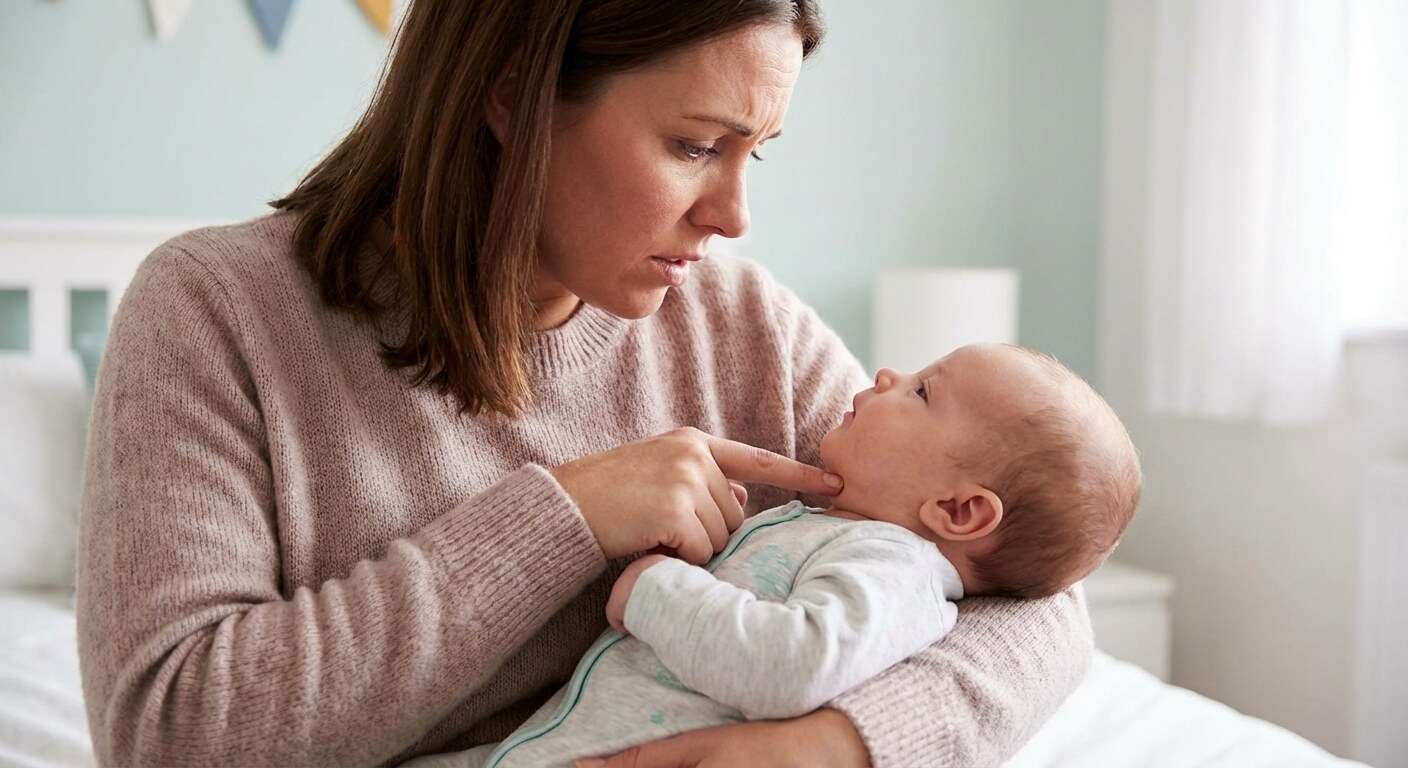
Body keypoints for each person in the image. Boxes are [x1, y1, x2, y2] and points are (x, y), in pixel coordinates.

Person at [75, 2, 1095, 766]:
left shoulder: (741, 324)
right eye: (696, 146)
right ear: (513, 96)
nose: (734, 214)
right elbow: (171, 733)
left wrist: (838, 743)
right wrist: (562, 519)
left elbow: (1036, 598)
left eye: (757, 152)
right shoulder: (216, 311)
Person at [404, 343, 1141, 768]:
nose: (885, 376)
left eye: (921, 391)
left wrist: (659, 588)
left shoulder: (895, 571)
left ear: (957, 511)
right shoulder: (844, 532)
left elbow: (795, 665)